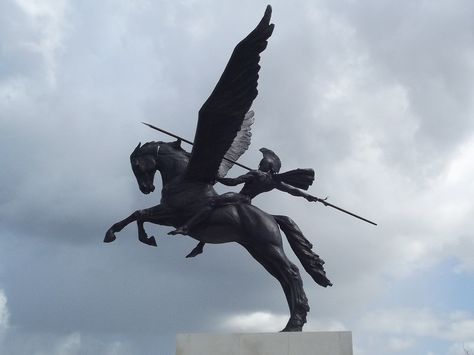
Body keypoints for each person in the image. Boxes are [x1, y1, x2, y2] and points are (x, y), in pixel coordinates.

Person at [169, 148, 325, 257]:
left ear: (267, 166)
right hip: (248, 203)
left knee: (211, 203)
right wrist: (311, 198)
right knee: (218, 215)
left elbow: (233, 182)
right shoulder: (275, 182)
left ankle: (186, 227)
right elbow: (294, 191)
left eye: (261, 163)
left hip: (239, 198)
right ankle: (201, 243)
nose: (258, 165)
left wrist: (216, 177)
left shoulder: (255, 174)